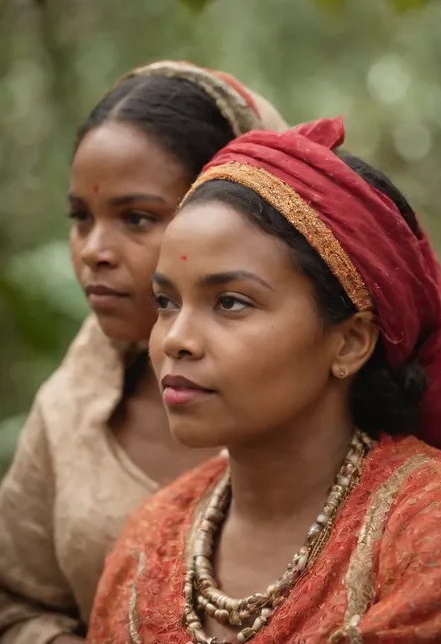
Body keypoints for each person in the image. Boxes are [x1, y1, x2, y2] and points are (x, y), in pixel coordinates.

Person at [87, 117, 441, 644]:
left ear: (351, 341)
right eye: (165, 302)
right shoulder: (146, 544)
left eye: (230, 302)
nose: (175, 338)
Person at [0, 61, 287, 644]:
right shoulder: (68, 409)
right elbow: (17, 601)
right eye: (81, 217)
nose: (94, 251)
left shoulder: (322, 415)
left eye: (137, 217)